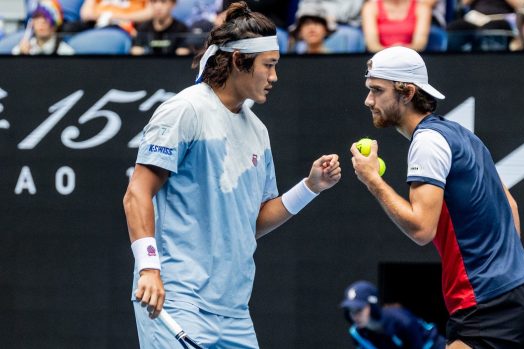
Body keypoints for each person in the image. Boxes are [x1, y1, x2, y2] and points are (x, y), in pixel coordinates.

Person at [123, 2, 341, 348]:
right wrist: (149, 267)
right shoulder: (185, 110)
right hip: (177, 297)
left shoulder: (258, 131)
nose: (274, 77)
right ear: (239, 61)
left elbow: (251, 220)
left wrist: (311, 187)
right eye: (268, 66)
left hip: (234, 310)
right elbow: (136, 193)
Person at [350, 46, 524, 348]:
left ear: (407, 92)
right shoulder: (462, 134)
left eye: (377, 90)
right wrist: (505, 273)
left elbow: (421, 229)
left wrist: (372, 179)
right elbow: (511, 205)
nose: (369, 100)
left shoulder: (427, 143)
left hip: (487, 304)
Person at [341, 280, 446, 349]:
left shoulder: (402, 321)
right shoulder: (358, 334)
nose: (355, 316)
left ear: (372, 307)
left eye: (359, 309)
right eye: (350, 310)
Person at [361, 0, 436, 52]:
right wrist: (393, 52)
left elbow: (420, 44)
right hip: (381, 60)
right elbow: (372, 45)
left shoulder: (422, 8)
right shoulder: (370, 7)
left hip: (410, 59)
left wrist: (401, 51)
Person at [79, 0, 154, 35]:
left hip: (127, 26)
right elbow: (86, 14)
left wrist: (114, 17)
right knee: (70, 28)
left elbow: (150, 13)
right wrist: (106, 16)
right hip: (95, 23)